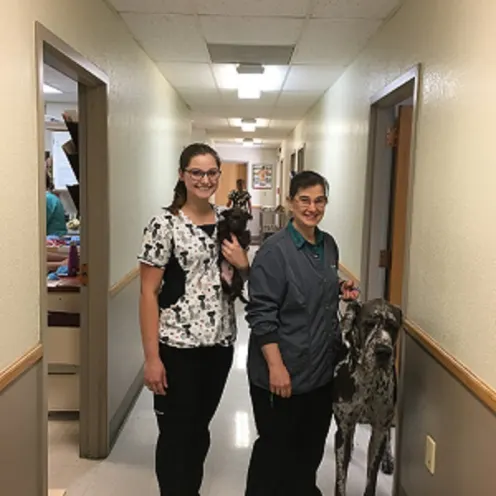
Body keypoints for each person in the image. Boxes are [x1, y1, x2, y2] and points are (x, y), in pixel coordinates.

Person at [138, 143, 249, 496]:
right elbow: (147, 294)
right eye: (196, 172)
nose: (204, 179)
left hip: (219, 346)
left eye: (211, 172)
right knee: (175, 434)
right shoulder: (164, 224)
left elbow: (236, 282)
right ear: (182, 175)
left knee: (199, 429)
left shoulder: (227, 223)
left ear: (219, 175)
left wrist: (244, 262)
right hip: (176, 347)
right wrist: (152, 358)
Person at [244, 171, 359, 496]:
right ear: (291, 202)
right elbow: (261, 314)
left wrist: (340, 288)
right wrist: (277, 368)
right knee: (275, 452)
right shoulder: (274, 251)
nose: (312, 207)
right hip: (282, 372)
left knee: (309, 450)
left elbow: (315, 286)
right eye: (304, 200)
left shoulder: (328, 245)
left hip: (320, 372)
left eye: (319, 200)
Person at [46, 171, 67, 237]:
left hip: (52, 239)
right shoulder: (50, 198)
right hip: (56, 237)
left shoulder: (46, 199)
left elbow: (38, 226)